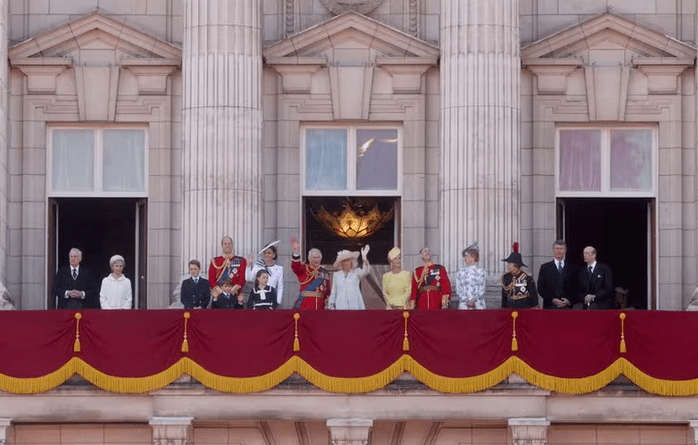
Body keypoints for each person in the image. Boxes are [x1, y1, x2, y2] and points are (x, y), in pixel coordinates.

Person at [291, 239, 331, 310]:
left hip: (320, 306)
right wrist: (296, 252)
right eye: (314, 258)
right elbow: (295, 267)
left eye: (318, 257)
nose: (316, 260)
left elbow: (328, 291)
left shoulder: (325, 273)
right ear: (310, 259)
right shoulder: (304, 269)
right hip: (305, 305)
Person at [327, 245, 370, 310]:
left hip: (355, 305)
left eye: (348, 260)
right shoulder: (336, 275)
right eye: (344, 261)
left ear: (352, 261)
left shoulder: (356, 272)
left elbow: (366, 271)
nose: (346, 263)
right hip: (341, 306)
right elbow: (333, 291)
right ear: (341, 263)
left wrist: (365, 259)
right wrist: (331, 304)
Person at [538, 240, 577, 309]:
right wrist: (552, 299)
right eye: (556, 249)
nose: (559, 251)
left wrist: (569, 301)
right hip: (550, 307)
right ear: (553, 250)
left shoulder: (572, 268)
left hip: (567, 307)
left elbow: (576, 287)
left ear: (565, 251)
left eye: (561, 249)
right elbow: (541, 288)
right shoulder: (545, 267)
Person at [245, 241, 283, 307]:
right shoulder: (258, 266)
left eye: (269, 253)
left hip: (271, 297)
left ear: (273, 254)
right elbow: (249, 278)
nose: (266, 255)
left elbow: (280, 286)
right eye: (265, 253)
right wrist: (248, 266)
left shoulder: (279, 269)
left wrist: (278, 302)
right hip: (258, 297)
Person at [208, 236, 246, 300]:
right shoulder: (215, 261)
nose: (227, 246)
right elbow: (211, 279)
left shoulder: (241, 261)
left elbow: (242, 279)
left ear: (232, 245)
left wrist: (234, 289)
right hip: (219, 294)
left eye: (229, 243)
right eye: (225, 244)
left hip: (235, 294)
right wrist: (221, 292)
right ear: (222, 246)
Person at [455, 242, 487, 309]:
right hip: (464, 304)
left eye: (467, 256)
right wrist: (466, 300)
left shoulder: (481, 272)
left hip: (478, 304)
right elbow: (458, 288)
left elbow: (481, 288)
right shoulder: (460, 272)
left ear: (473, 257)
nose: (465, 258)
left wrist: (473, 300)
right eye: (465, 256)